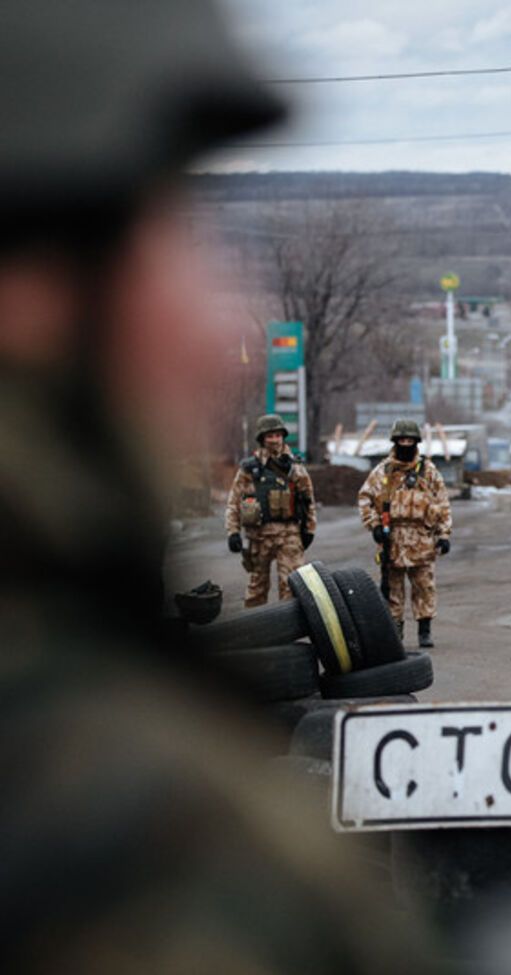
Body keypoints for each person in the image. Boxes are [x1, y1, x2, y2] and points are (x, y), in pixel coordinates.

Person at [0, 2, 440, 970]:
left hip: (365, 554)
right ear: (30, 291)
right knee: (269, 610)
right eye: (169, 235)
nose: (215, 326)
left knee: (328, 610)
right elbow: (300, 503)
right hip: (288, 554)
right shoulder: (112, 816)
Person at [358, 419, 452, 648]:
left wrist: (444, 535)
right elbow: (365, 499)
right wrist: (375, 526)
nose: (406, 444)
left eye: (410, 440)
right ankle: (395, 631)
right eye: (402, 440)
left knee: (424, 587)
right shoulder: (383, 471)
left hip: (422, 539)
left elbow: (442, 503)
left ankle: (424, 630)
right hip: (394, 538)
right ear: (395, 441)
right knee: (392, 589)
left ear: (416, 442)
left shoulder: (428, 472)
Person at [224, 413, 317, 607]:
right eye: (269, 436)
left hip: (289, 535)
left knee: (292, 588)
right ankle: (255, 633)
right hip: (259, 537)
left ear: (283, 436)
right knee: (256, 590)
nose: (274, 440)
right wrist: (233, 532)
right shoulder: (249, 468)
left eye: (277, 435)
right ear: (262, 439)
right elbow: (234, 502)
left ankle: (287, 632)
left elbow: (308, 501)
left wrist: (309, 530)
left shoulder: (296, 467)